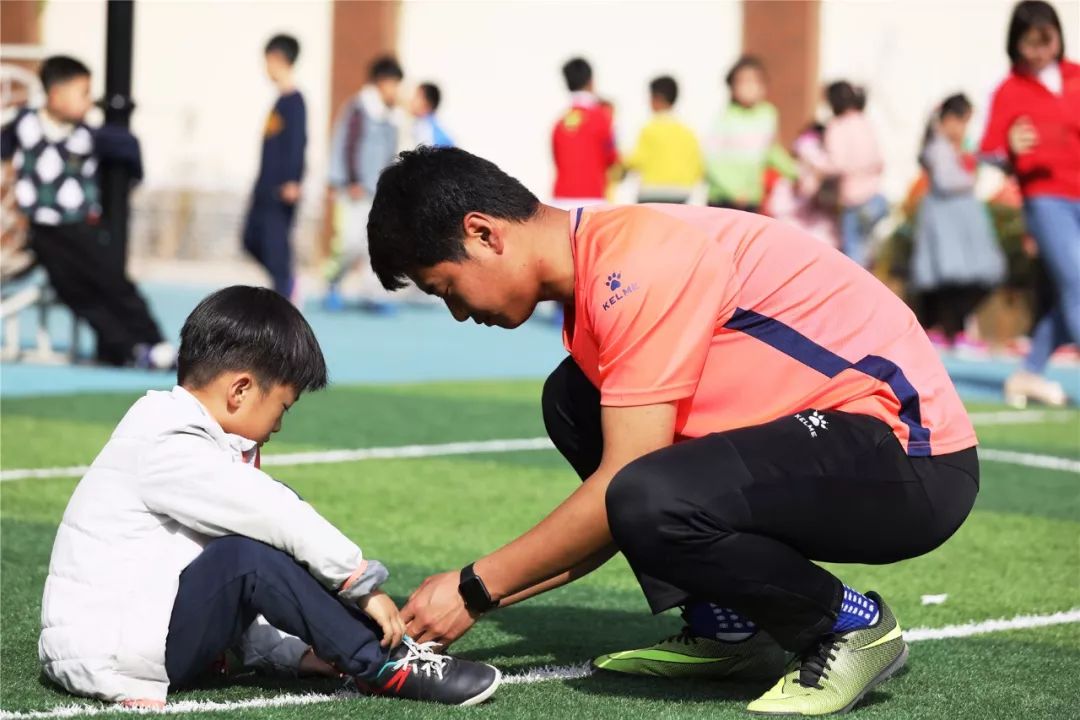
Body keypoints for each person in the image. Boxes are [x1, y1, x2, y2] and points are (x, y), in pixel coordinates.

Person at [366, 147, 980, 716]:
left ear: (484, 232)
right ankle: (729, 627)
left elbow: (624, 491)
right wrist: (484, 591)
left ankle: (849, 623)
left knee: (644, 494)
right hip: (834, 435)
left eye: (445, 287)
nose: (457, 311)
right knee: (575, 401)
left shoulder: (636, 262)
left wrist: (474, 589)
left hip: (910, 458)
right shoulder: (600, 267)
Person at [38, 285, 501, 708]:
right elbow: (269, 521)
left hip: (120, 644)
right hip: (110, 652)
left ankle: (362, 651)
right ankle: (382, 663)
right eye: (282, 407)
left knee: (254, 547)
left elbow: (221, 572)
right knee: (253, 549)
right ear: (240, 390)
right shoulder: (168, 441)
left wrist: (296, 656)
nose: (279, 426)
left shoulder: (177, 436)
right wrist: (361, 584)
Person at [0, 55, 173, 369]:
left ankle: (154, 340)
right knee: (76, 295)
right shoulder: (24, 124)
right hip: (42, 232)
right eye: (82, 93)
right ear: (55, 96)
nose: (89, 101)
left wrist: (133, 176)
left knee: (113, 283)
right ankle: (130, 349)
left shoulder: (89, 136)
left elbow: (129, 150)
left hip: (81, 226)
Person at [980, 0, 1079, 408]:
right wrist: (1009, 148)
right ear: (1015, 45)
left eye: (1046, 41)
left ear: (1058, 37)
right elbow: (988, 150)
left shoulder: (1076, 77)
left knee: (1069, 293)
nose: (1039, 51)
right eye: (1029, 44)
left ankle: (1028, 373)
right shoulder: (1010, 90)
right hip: (1046, 198)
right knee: (1077, 282)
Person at [912, 95, 1006, 346]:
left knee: (968, 278)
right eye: (962, 121)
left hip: (960, 222)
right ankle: (948, 330)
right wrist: (969, 175)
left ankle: (954, 330)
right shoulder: (938, 147)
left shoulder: (958, 147)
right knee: (949, 279)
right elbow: (946, 180)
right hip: (945, 223)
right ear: (950, 120)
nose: (964, 129)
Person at [324, 56, 404, 313]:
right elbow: (344, 143)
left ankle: (374, 294)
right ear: (380, 82)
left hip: (378, 192)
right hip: (355, 190)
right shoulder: (358, 109)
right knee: (349, 242)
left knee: (377, 244)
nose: (395, 89)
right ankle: (334, 281)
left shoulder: (392, 116)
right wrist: (347, 180)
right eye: (393, 83)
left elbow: (392, 153)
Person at [242, 35, 306, 300]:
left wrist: (293, 179)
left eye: (267, 61)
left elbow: (297, 142)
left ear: (277, 59)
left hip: (282, 190)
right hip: (264, 187)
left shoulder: (294, 101)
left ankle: (286, 291)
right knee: (249, 239)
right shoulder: (279, 101)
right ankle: (287, 282)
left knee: (276, 248)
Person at [704, 56, 797, 213]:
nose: (750, 87)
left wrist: (796, 174)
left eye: (755, 81)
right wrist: (734, 192)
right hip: (723, 198)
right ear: (732, 87)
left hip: (752, 197)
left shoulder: (768, 114)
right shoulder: (724, 118)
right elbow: (711, 160)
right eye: (743, 81)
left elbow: (771, 151)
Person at [823, 81, 887, 267]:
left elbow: (837, 163)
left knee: (852, 254)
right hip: (875, 198)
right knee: (866, 248)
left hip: (853, 200)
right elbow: (879, 159)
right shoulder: (864, 122)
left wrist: (816, 167)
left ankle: (857, 293)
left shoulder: (837, 126)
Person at [623, 75, 703, 204]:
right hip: (681, 193)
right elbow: (698, 166)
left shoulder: (649, 129)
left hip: (651, 192)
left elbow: (636, 160)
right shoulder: (687, 131)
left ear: (656, 98)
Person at [551, 57, 618, 208]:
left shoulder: (559, 123)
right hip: (592, 198)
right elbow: (612, 157)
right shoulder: (602, 118)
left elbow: (556, 159)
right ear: (591, 81)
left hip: (561, 198)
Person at [410, 82, 454, 149]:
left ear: (428, 102)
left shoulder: (428, 130)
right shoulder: (419, 124)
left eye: (417, 96)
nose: (412, 100)